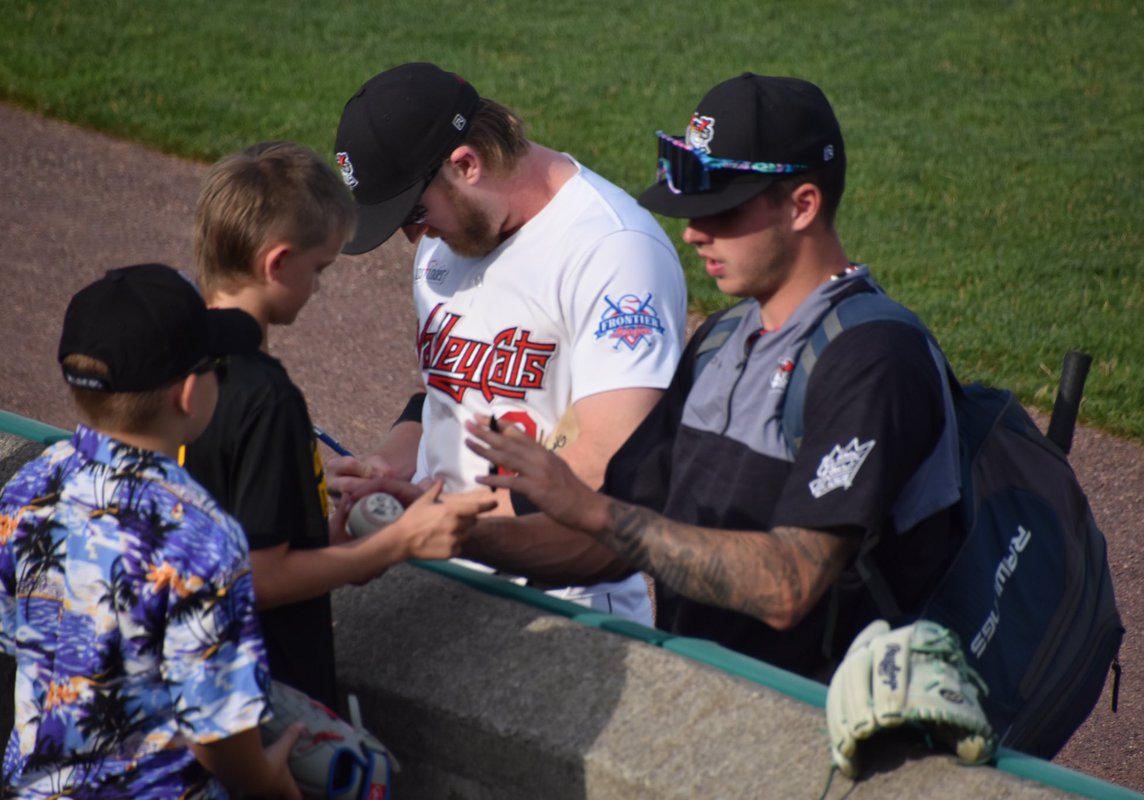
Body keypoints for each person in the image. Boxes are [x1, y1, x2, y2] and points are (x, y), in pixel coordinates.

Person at [462, 73, 966, 682]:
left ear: (803, 205)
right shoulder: (722, 341)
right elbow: (611, 544)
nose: (693, 232)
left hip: (825, 728)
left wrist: (593, 512)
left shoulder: (875, 358)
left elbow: (789, 583)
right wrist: (449, 536)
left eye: (721, 210)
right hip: (715, 705)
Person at [328, 63, 687, 624]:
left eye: (414, 213)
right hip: (440, 563)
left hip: (558, 598)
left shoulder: (613, 251)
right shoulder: (452, 233)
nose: (413, 236)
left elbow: (611, 463)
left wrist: (440, 514)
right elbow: (447, 390)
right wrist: (392, 467)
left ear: (466, 164)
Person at [183, 141, 495, 708]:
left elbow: (234, 549)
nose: (319, 287)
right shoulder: (263, 396)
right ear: (277, 263)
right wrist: (392, 546)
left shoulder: (175, 365)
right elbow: (262, 578)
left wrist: (337, 539)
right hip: (258, 695)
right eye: (318, 269)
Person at [0, 263, 302, 797]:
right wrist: (273, 785)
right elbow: (217, 734)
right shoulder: (201, 536)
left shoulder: (28, 486)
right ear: (188, 394)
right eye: (219, 368)